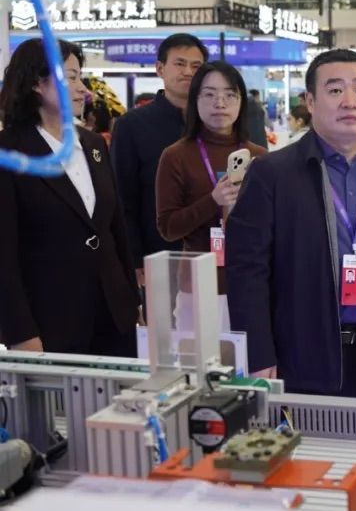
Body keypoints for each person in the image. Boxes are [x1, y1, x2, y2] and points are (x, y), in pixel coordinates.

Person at [226, 49, 356, 397]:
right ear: (310, 101)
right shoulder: (271, 174)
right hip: (296, 352)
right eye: (335, 90)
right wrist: (257, 353)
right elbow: (247, 272)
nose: (350, 101)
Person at [0, 38, 139, 356]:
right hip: (49, 319)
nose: (82, 89)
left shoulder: (93, 144)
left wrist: (132, 300)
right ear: (37, 83)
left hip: (113, 314)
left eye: (80, 77)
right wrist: (20, 331)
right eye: (71, 77)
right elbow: (3, 254)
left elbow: (115, 229)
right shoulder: (9, 151)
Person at [155, 61, 267, 332]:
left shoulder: (259, 157)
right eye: (209, 94)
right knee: (199, 358)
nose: (220, 103)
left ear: (241, 102)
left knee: (249, 357)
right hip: (198, 287)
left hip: (251, 284)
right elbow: (168, 228)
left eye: (230, 95)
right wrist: (213, 201)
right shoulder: (176, 156)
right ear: (195, 100)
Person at [111, 34, 207, 284]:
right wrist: (133, 258)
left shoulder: (215, 122)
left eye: (196, 66)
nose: (188, 72)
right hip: (158, 254)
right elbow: (122, 198)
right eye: (180, 63)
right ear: (160, 68)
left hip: (212, 251)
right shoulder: (132, 126)